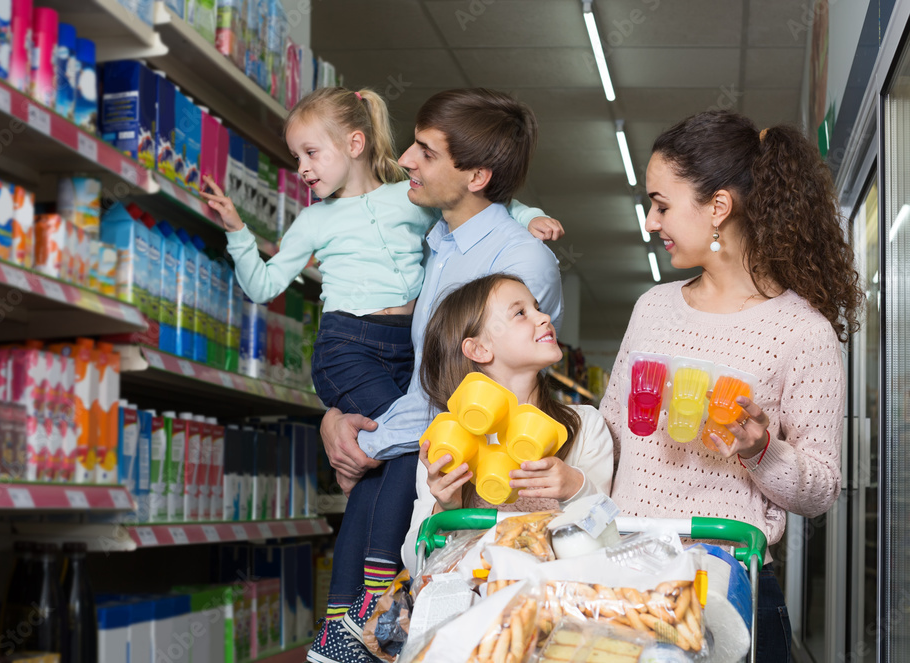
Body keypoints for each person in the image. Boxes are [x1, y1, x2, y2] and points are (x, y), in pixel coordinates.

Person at [599, 110, 863, 662]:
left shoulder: (802, 332)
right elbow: (608, 439)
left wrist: (761, 448)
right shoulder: (653, 308)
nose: (651, 221)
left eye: (662, 205)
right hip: (625, 574)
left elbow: (820, 491)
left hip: (729, 589)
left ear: (718, 207)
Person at [316, 89, 565, 663]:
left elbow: (468, 394)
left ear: (477, 175)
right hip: (427, 469)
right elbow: (422, 383)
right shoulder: (440, 245)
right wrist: (340, 420)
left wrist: (366, 443)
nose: (405, 159)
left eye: (426, 152)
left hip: (476, 492)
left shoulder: (520, 264)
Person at [201, 87, 560, 428]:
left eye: (311, 153)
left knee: (408, 437)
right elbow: (262, 287)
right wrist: (237, 232)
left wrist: (530, 217)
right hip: (347, 344)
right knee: (400, 441)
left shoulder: (412, 196)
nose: (302, 169)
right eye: (297, 158)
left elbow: (482, 203)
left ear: (355, 144)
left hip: (404, 345)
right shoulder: (312, 220)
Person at [401, 273, 614, 568]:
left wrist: (576, 488)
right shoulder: (448, 440)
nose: (544, 317)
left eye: (537, 307)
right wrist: (446, 508)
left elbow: (608, 540)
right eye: (520, 313)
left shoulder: (585, 425)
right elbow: (415, 565)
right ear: (479, 349)